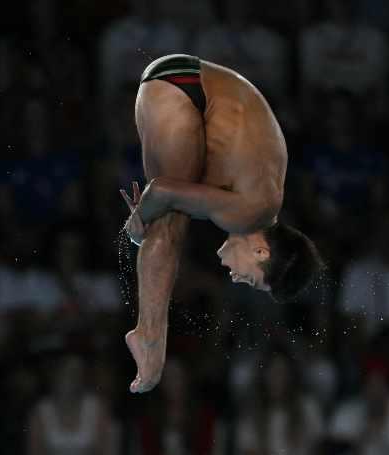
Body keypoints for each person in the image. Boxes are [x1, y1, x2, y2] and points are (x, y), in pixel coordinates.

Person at [119, 53, 326, 393]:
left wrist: (146, 221)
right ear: (260, 251)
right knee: (171, 223)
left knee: (167, 218)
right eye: (253, 282)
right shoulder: (248, 212)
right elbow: (162, 191)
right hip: (182, 90)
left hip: (184, 86)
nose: (237, 279)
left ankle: (149, 332)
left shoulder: (262, 202)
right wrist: (142, 218)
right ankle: (151, 338)